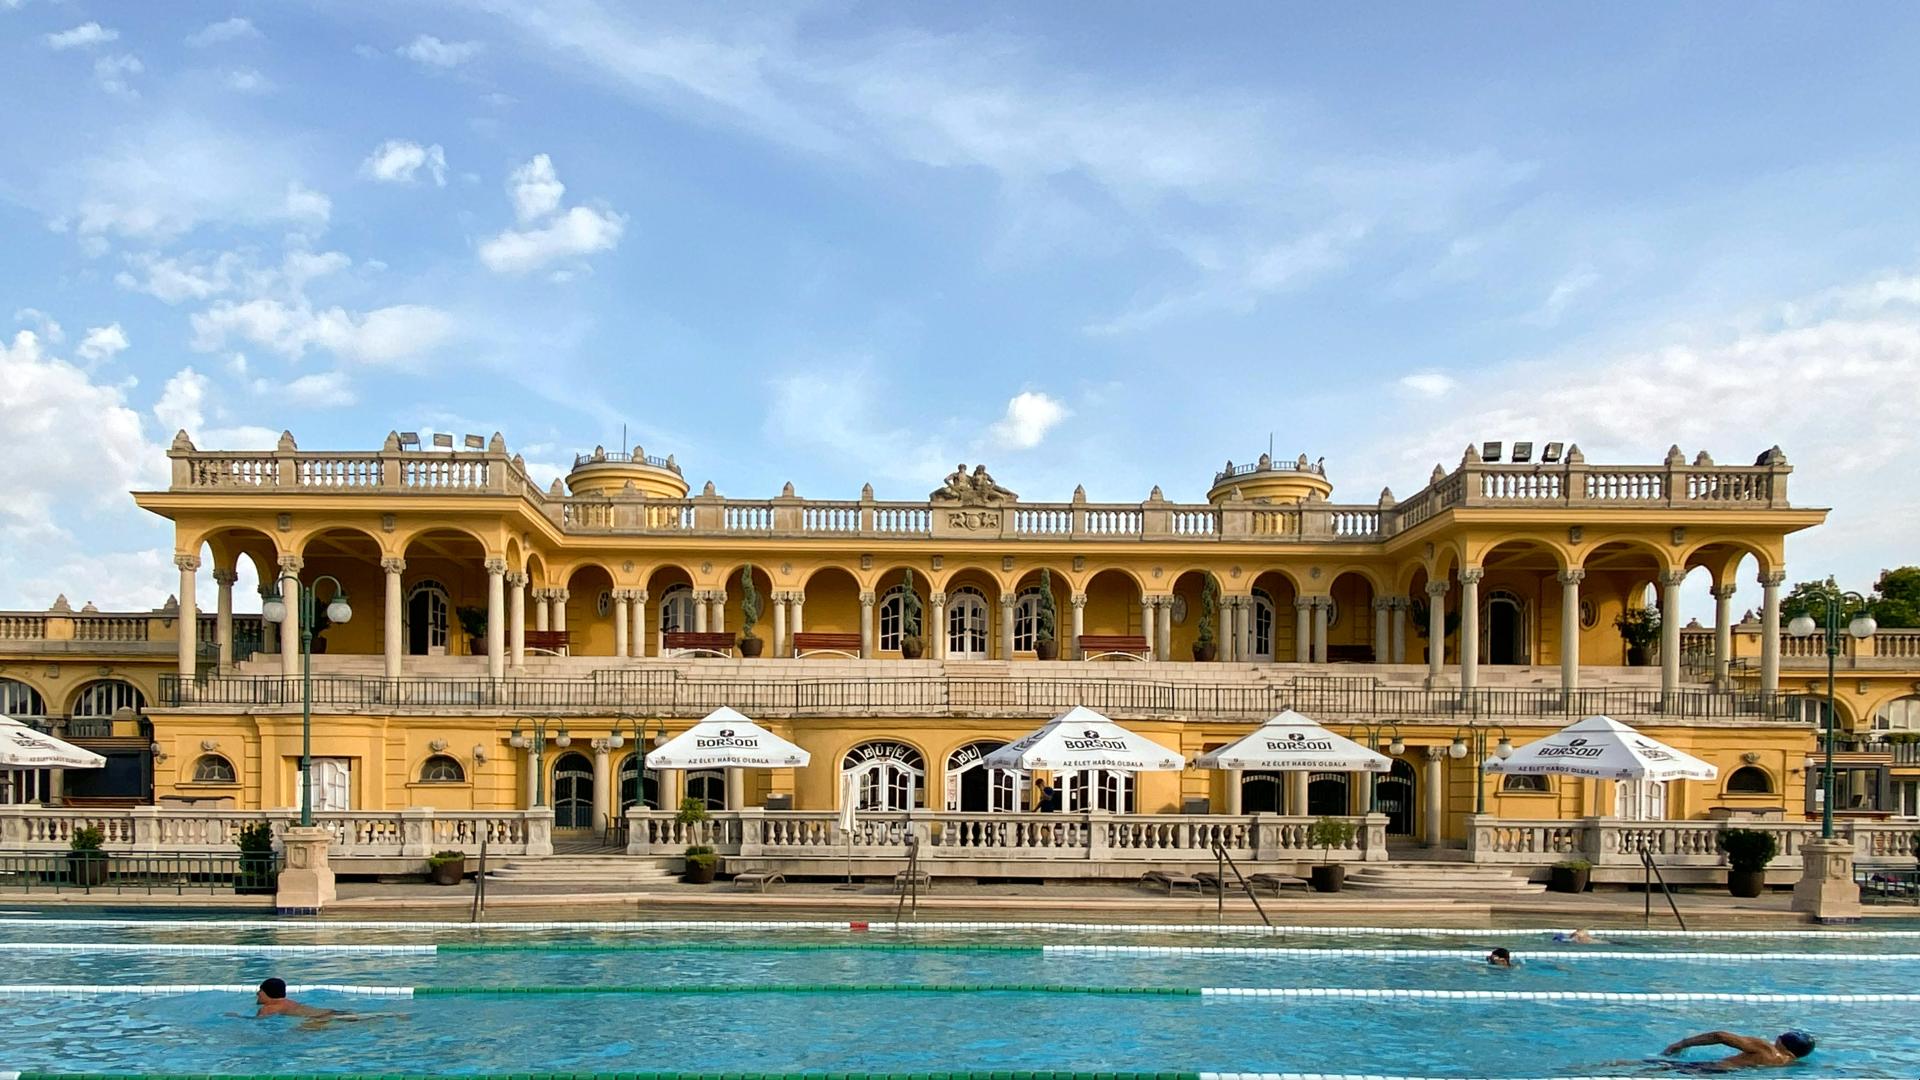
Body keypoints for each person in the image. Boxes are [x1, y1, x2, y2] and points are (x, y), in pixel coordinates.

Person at [1661, 1030, 1815, 1069]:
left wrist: (1682, 1044)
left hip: (1710, 1069)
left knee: (1649, 1067)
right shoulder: (1790, 1062)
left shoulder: (1766, 1050)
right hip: (1727, 1074)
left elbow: (1719, 1036)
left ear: (1780, 1042)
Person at [252, 978, 337, 1022]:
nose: (257, 993)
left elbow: (257, 1022)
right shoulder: (289, 1003)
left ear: (267, 993)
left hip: (317, 1019)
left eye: (260, 991)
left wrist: (239, 1017)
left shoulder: (268, 1008)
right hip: (329, 1013)